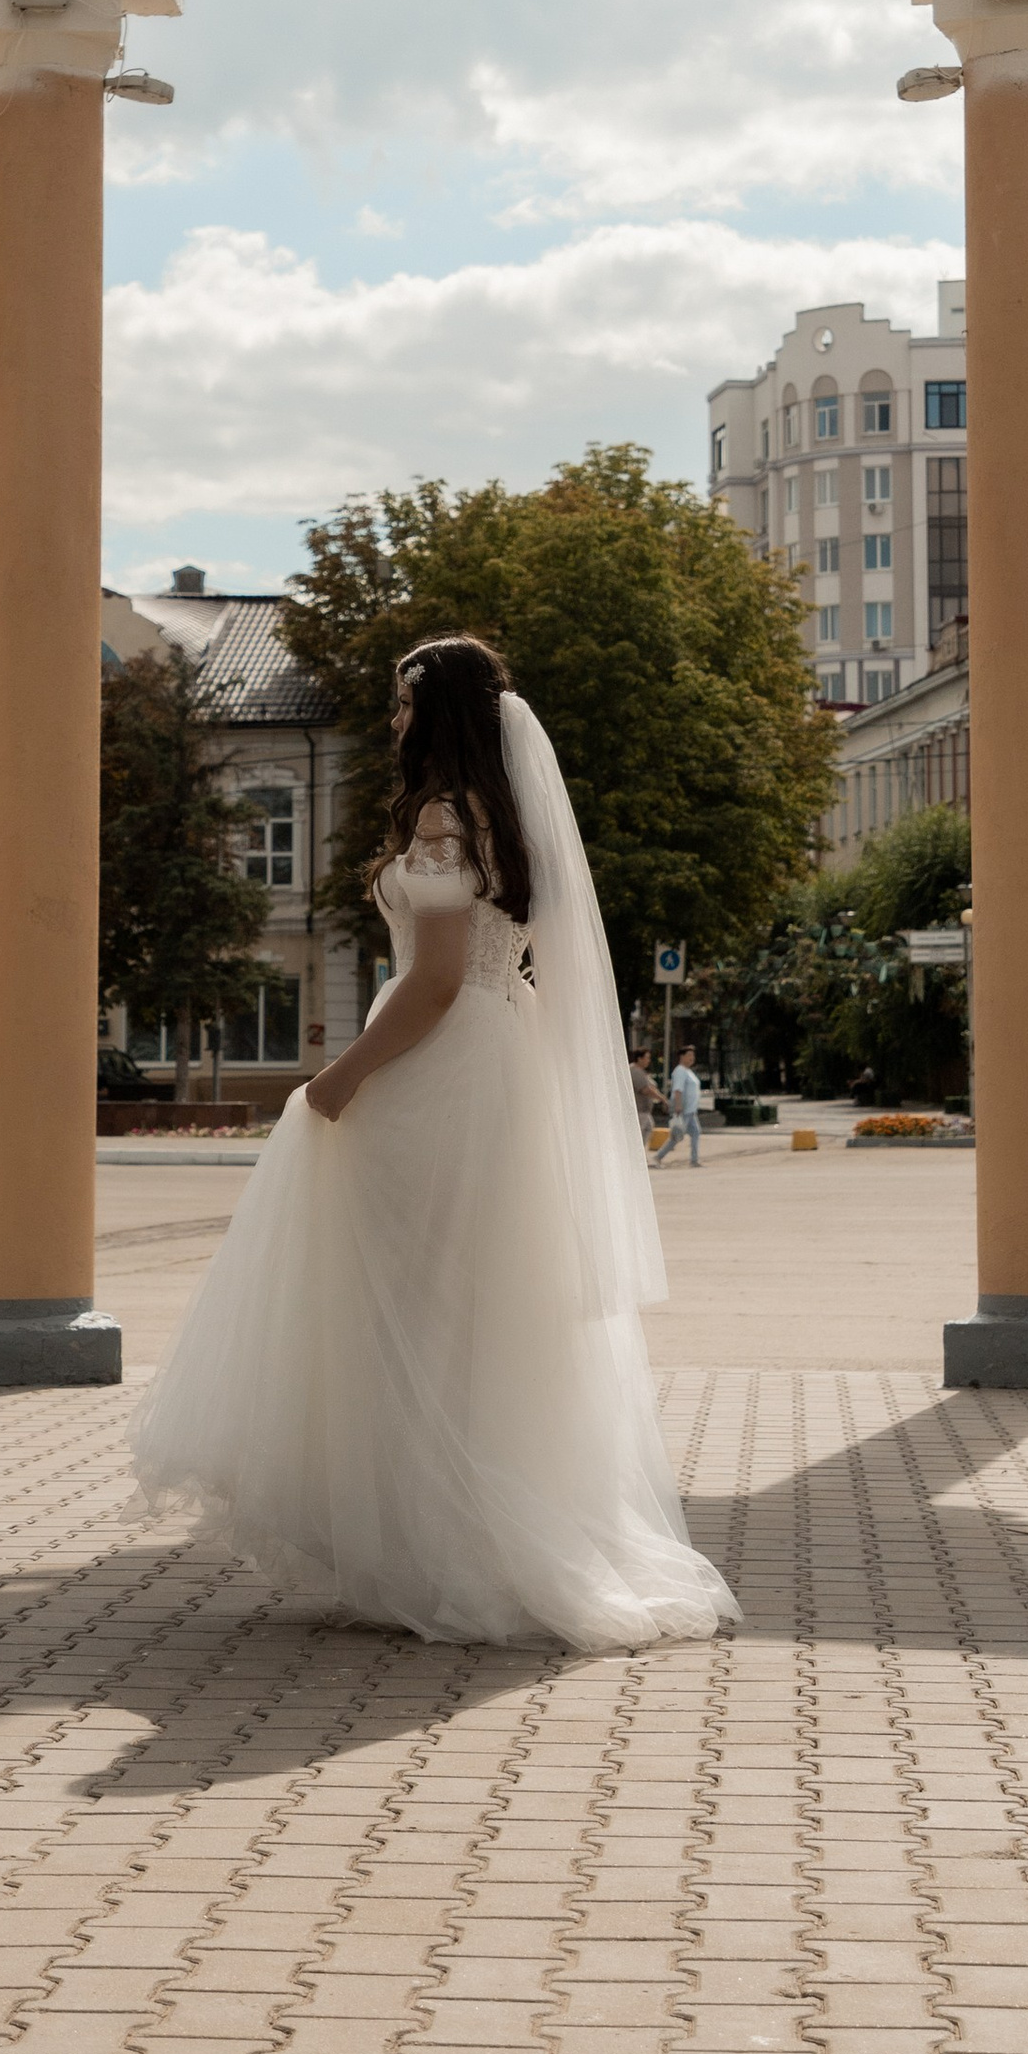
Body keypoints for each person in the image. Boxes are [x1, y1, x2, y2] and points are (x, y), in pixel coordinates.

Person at [133, 635, 738, 1653]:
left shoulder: (443, 817)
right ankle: (449, 1541)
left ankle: (441, 1547)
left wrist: (344, 1072)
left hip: (439, 1066)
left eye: (397, 704)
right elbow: (498, 970)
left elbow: (435, 977)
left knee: (406, 1308)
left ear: (433, 708)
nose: (389, 722)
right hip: (491, 1060)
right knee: (473, 1311)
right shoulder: (504, 820)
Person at [667, 1045, 704, 1169]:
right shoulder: (680, 1071)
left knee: (695, 1133)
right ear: (681, 1056)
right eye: (689, 1056)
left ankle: (694, 1159)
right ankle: (658, 1156)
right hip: (683, 1109)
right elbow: (678, 1089)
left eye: (693, 1056)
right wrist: (678, 1106)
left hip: (691, 1110)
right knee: (677, 1136)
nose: (691, 1058)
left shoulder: (688, 1071)